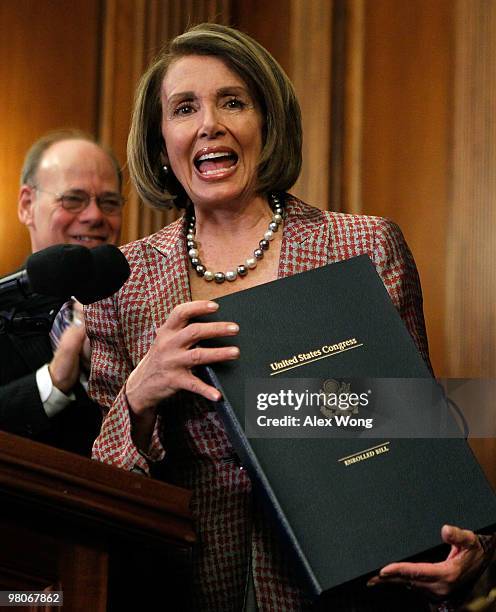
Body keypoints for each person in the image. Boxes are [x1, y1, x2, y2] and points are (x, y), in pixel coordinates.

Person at [86, 24, 495, 611]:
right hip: (185, 588)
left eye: (233, 101)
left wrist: (469, 546)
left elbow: (419, 434)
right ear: (160, 143)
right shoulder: (122, 283)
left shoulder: (362, 246)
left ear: (267, 122)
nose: (210, 124)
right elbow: (102, 481)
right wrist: (138, 397)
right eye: (184, 108)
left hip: (353, 592)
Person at [0, 130, 123, 455]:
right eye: (73, 199)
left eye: (109, 202)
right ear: (27, 205)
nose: (95, 216)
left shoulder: (145, 308)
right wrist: (53, 381)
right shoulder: (4, 307)